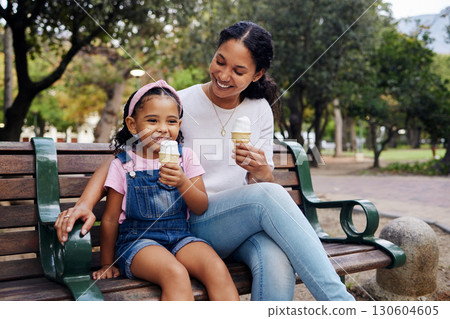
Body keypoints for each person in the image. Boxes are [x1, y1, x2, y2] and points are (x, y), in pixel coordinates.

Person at [55, 21, 354, 301]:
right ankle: (342, 305)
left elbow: (257, 187)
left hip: (238, 224)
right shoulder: (179, 105)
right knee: (270, 195)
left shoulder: (260, 109)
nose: (224, 76)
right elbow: (124, 159)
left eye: (238, 71)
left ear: (257, 74)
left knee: (276, 260)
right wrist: (85, 202)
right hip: (189, 220)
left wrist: (263, 171)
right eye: (220, 61)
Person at [90, 80, 239, 301]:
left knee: (216, 267)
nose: (162, 128)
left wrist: (182, 182)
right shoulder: (123, 164)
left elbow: (200, 206)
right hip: (137, 243)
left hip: (180, 237)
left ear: (179, 124)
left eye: (171, 121)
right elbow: (110, 219)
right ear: (132, 125)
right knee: (175, 273)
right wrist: (106, 263)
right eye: (152, 120)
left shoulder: (185, 157)